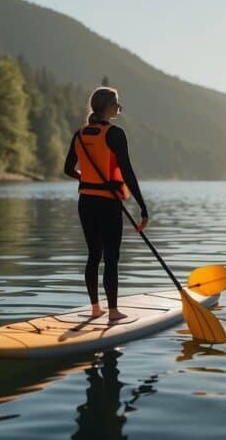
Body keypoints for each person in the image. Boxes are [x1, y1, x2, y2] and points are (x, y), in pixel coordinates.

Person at [63, 87, 149, 321]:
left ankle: (95, 309)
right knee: (111, 257)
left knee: (93, 255)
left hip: (86, 202)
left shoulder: (79, 134)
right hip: (108, 204)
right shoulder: (115, 133)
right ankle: (113, 312)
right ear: (108, 107)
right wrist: (142, 206)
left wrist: (88, 178)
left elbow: (68, 169)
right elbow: (127, 172)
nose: (119, 108)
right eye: (117, 104)